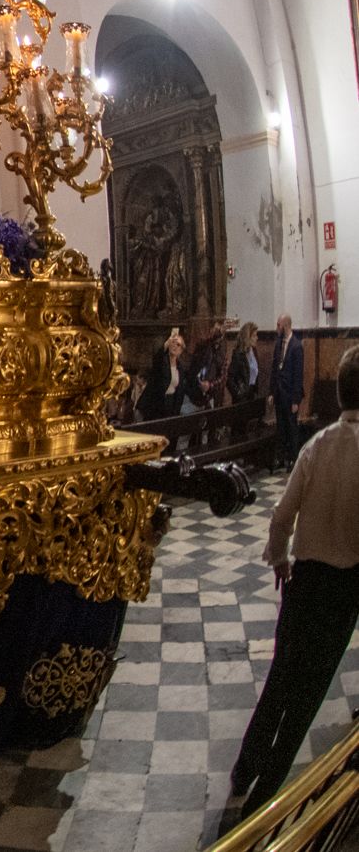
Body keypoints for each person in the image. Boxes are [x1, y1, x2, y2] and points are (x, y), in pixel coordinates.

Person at [231, 344, 359, 811]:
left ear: (340, 394)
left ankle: (243, 770)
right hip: (345, 590)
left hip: (303, 583)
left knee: (280, 681)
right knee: (305, 699)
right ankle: (262, 804)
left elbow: (281, 516)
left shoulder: (315, 445)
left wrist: (281, 560)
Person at [273, 314, 305, 470]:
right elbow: (275, 368)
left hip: (290, 394)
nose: (276, 328)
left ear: (285, 326)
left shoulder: (297, 346)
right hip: (279, 393)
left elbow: (298, 375)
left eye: (278, 325)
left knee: (292, 427)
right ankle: (280, 457)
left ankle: (293, 458)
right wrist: (272, 393)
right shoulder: (278, 344)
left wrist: (295, 400)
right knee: (280, 427)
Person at [137, 330, 189, 421]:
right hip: (154, 405)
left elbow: (179, 392)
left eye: (178, 344)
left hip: (169, 407)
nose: (174, 346)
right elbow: (157, 358)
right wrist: (166, 343)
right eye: (173, 342)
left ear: (181, 350)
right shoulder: (162, 361)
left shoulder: (180, 368)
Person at [228, 322, 262, 405]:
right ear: (247, 337)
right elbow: (229, 378)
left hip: (253, 394)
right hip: (242, 397)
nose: (257, 338)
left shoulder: (254, 351)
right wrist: (238, 393)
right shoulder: (238, 354)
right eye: (254, 335)